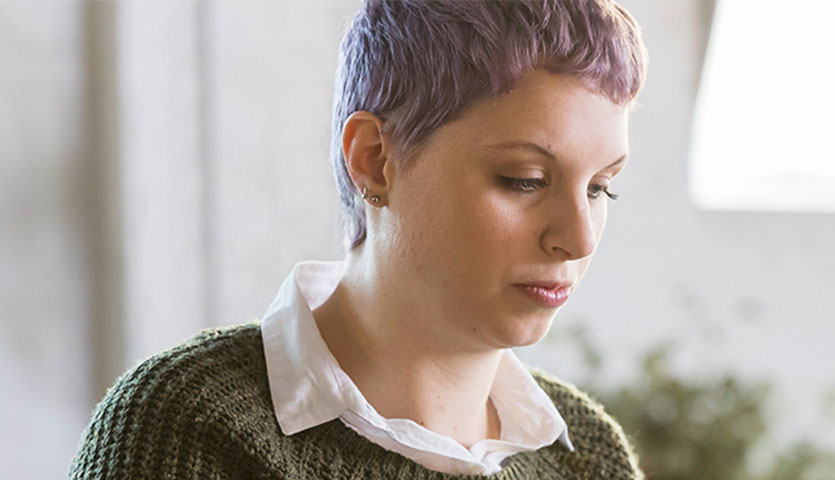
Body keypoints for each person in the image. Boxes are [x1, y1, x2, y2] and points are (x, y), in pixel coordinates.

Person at [70, 0, 648, 478]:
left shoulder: (589, 456)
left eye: (601, 188)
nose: (578, 239)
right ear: (373, 160)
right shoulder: (189, 429)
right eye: (524, 180)